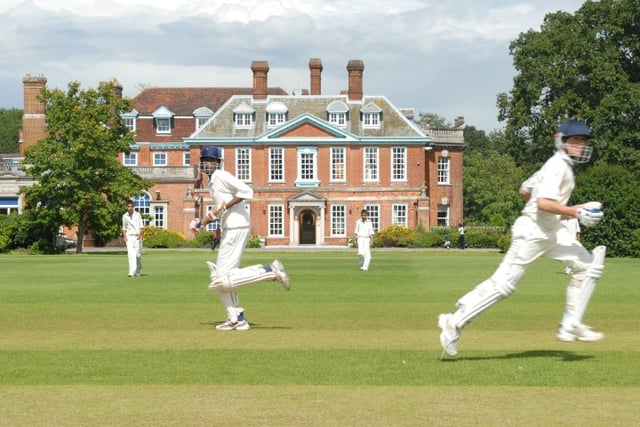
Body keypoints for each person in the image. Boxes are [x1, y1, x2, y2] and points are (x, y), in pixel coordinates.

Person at [437, 119, 606, 358]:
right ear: (562, 141)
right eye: (576, 140)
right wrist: (576, 212)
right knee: (504, 285)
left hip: (551, 231)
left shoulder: (557, 167)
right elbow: (542, 202)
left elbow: (525, 190)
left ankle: (571, 322)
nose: (581, 145)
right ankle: (453, 322)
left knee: (587, 267)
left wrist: (577, 208)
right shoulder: (557, 166)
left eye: (583, 141)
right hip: (532, 233)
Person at [199, 146, 290, 331]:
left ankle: (270, 271)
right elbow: (217, 210)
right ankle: (237, 318)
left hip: (237, 227)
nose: (207, 163)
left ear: (217, 162)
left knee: (220, 279)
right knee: (223, 278)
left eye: (211, 160)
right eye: (205, 160)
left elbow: (246, 191)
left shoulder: (222, 176)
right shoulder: (212, 182)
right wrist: (206, 222)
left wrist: (225, 208)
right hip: (230, 227)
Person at [122, 199, 143, 277]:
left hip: (137, 237)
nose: (130, 208)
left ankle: (138, 270)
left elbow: (141, 226)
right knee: (131, 254)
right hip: (129, 237)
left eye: (131, 206)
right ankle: (131, 271)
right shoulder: (124, 216)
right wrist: (124, 236)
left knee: (137, 255)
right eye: (128, 206)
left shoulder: (137, 215)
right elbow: (124, 228)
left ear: (133, 207)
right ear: (126, 207)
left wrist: (140, 234)